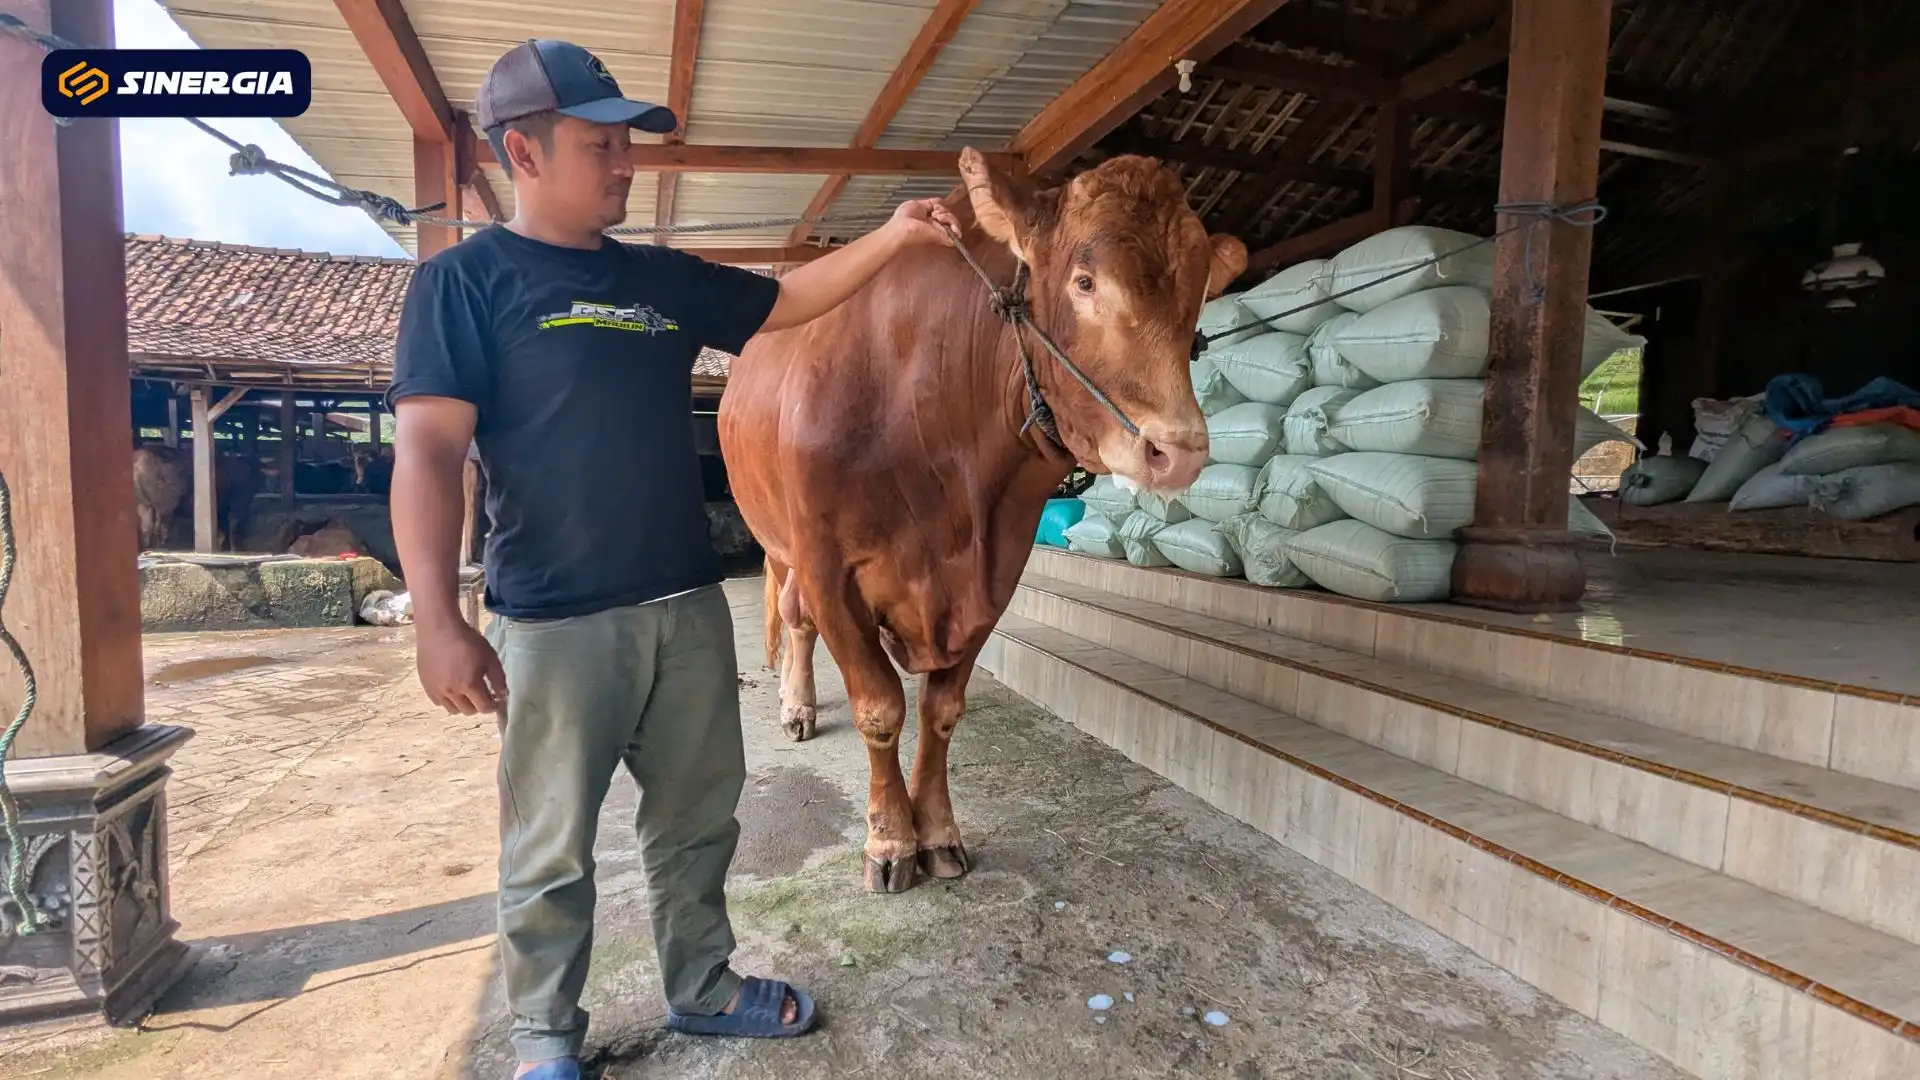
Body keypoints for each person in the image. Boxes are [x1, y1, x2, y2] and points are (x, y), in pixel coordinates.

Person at [386, 38, 959, 1080]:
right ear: (523, 150)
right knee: (551, 847)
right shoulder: (462, 286)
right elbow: (427, 452)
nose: (624, 164)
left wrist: (893, 235)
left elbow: (786, 302)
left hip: (688, 609)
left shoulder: (657, 279)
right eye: (599, 144)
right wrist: (436, 613)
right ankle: (547, 1041)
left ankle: (701, 988)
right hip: (556, 621)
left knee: (699, 820)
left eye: (627, 144)